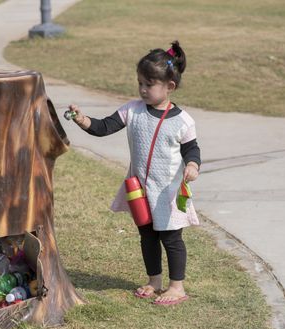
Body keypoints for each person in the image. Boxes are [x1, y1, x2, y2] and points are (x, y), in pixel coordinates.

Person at [68, 41, 201, 306]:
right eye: (140, 82)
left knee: (171, 238)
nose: (142, 89)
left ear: (169, 87)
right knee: (148, 236)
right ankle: (155, 281)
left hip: (169, 192)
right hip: (140, 189)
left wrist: (193, 165)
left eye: (149, 84)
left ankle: (177, 287)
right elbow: (104, 127)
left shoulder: (183, 121)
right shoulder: (132, 110)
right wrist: (83, 120)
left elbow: (192, 149)